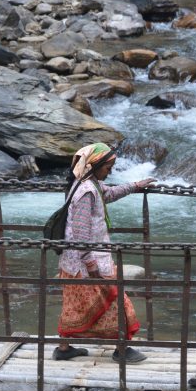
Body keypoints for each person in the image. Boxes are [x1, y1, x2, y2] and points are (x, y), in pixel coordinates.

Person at [54, 142, 156, 362]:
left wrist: (135, 185)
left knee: (74, 304)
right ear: (94, 165)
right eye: (108, 167)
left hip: (73, 262)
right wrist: (90, 265)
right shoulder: (86, 191)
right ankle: (122, 349)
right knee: (118, 301)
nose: (109, 172)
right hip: (87, 262)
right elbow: (81, 233)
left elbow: (109, 194)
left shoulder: (85, 183)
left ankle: (63, 348)